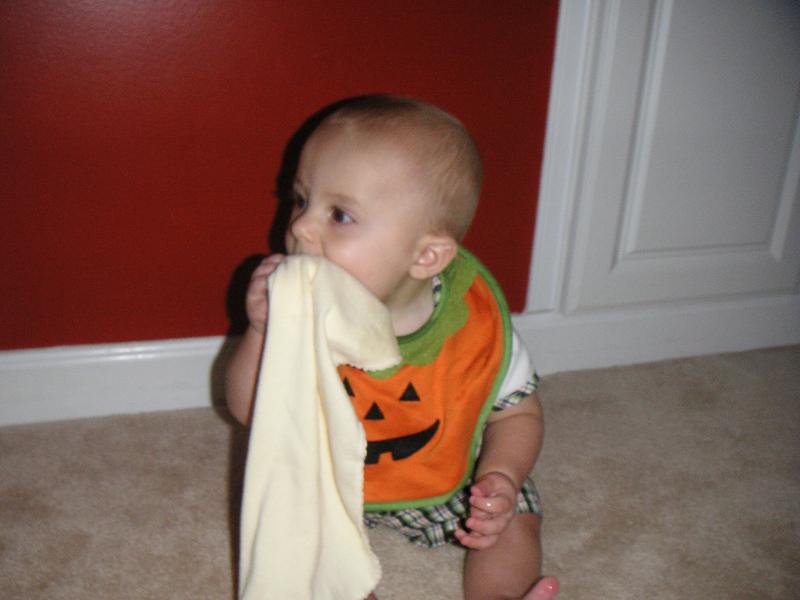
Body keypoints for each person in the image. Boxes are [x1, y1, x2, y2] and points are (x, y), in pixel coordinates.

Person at [226, 94, 559, 600]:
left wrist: (501, 477)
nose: (299, 227)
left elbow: (519, 414)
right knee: (302, 550)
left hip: (450, 477)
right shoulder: (299, 311)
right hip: (327, 482)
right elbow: (251, 409)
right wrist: (260, 332)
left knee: (514, 519)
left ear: (426, 257)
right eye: (301, 199)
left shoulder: (472, 323)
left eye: (339, 215)